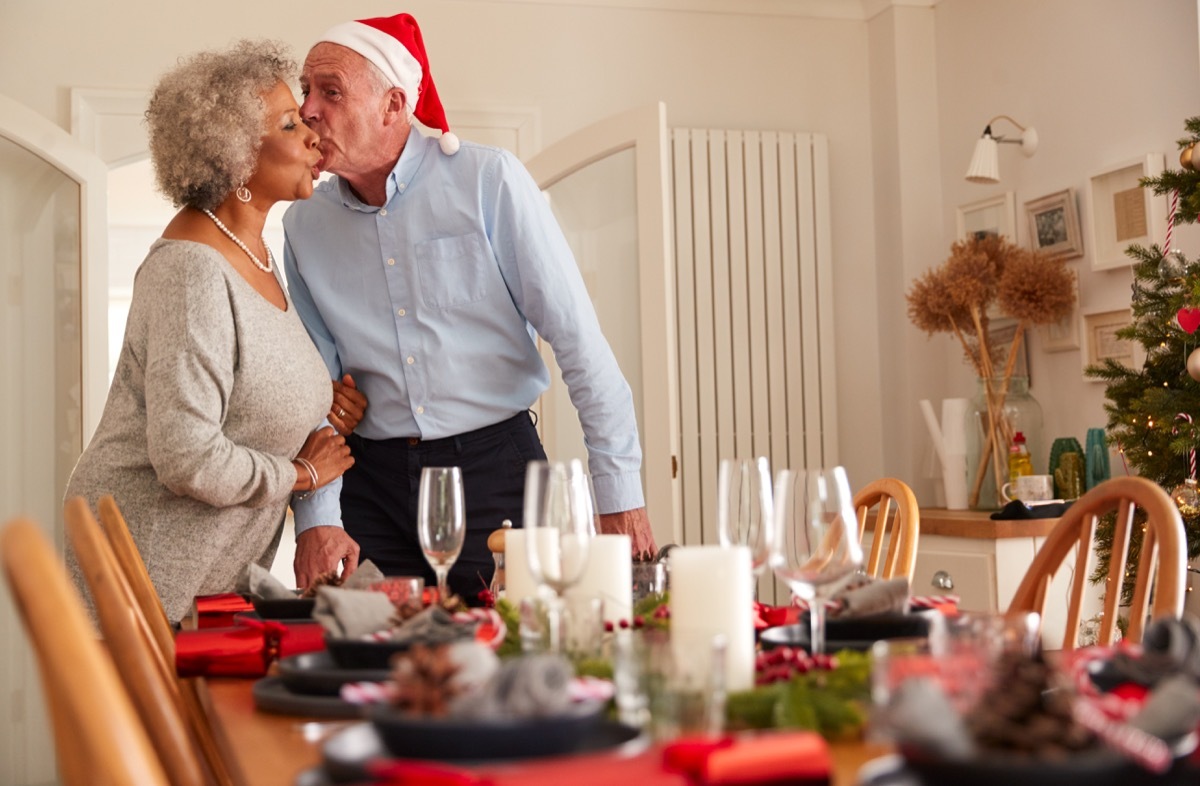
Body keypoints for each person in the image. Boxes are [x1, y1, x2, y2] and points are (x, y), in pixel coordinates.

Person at [284, 12, 656, 602]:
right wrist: (317, 518)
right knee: (378, 677)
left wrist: (620, 496)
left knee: (517, 662)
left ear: (393, 105)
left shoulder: (490, 182)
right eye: (306, 90)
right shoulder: (303, 225)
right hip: (368, 486)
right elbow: (315, 391)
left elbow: (579, 342)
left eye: (330, 91)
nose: (307, 108)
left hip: (496, 475)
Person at [64, 40, 359, 623]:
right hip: (143, 594)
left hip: (198, 596)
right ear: (235, 157)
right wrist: (303, 473)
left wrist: (325, 412)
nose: (312, 136)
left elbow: (247, 400)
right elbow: (186, 457)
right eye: (289, 123)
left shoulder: (255, 254)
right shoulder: (192, 270)